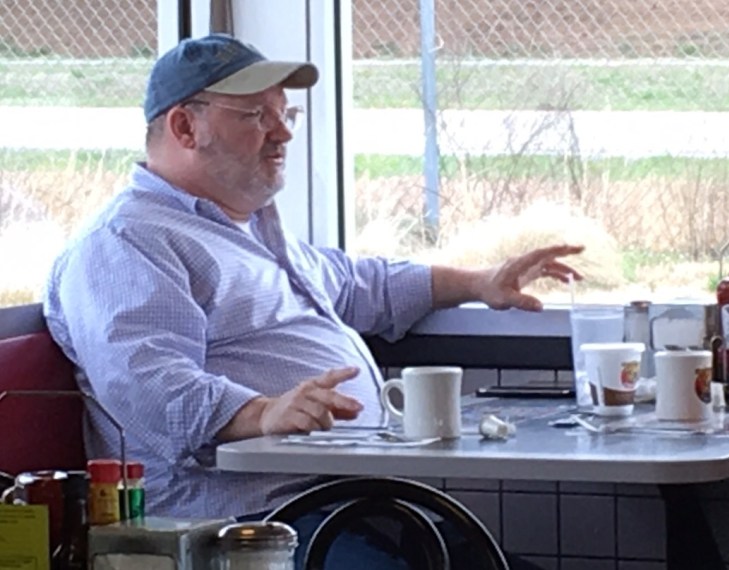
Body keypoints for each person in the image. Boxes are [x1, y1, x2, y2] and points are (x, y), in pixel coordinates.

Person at [43, 34, 580, 565]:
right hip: (248, 527)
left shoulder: (247, 231)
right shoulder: (126, 243)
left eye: (286, 115)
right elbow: (149, 384)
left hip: (348, 503)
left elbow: (357, 285)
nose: (282, 134)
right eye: (257, 116)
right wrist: (262, 412)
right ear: (185, 127)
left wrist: (480, 283)